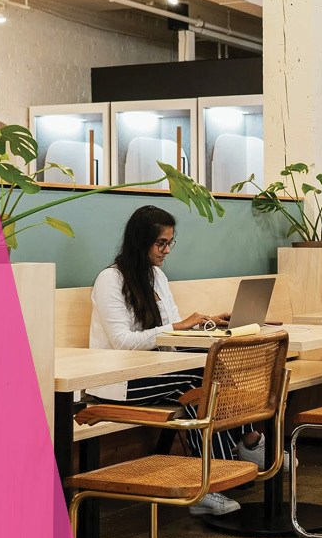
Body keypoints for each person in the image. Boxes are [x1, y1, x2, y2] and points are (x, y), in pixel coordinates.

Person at [87, 205, 279, 516]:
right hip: (119, 379)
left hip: (160, 367)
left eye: (169, 243)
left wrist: (207, 324)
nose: (166, 250)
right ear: (140, 241)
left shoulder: (156, 276)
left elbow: (173, 330)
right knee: (197, 382)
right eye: (160, 243)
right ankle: (224, 469)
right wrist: (177, 327)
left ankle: (222, 468)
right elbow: (123, 342)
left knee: (215, 366)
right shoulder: (111, 280)